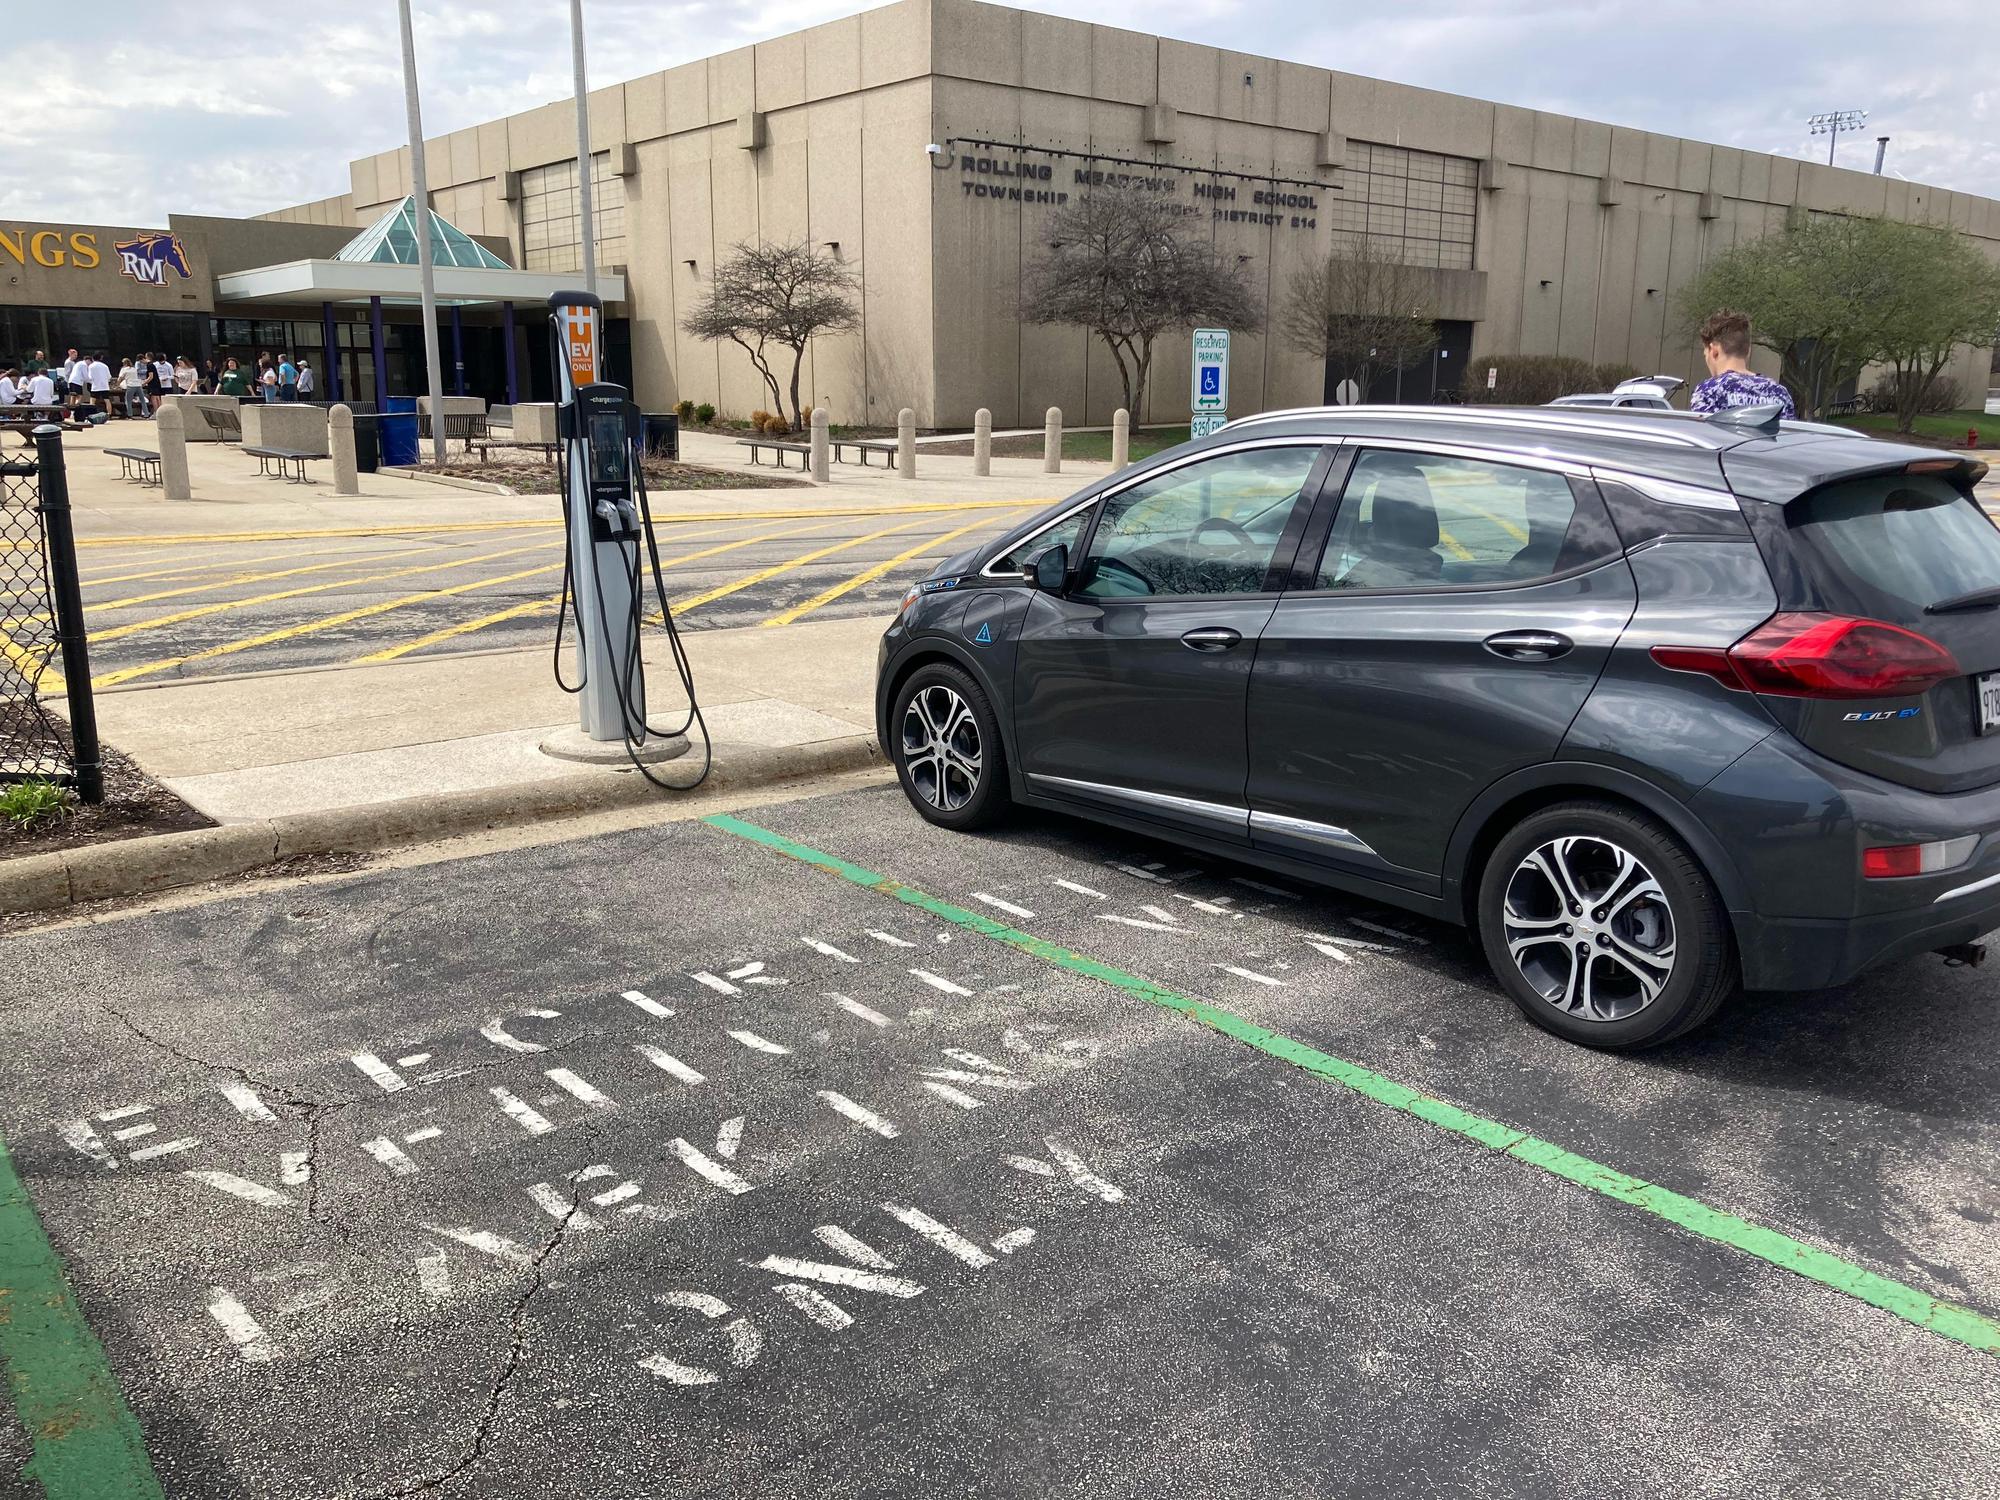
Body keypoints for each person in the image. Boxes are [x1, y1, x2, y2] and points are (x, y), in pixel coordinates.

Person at [1690, 310, 1795, 419]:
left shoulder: (1708, 392)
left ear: (1714, 351)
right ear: (1748, 351)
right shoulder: (1780, 393)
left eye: (1705, 355)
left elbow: (1704, 433)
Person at [87, 352, 112, 417]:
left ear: (92, 358)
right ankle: (109, 414)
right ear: (101, 358)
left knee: (92, 400)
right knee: (107, 400)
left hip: (95, 386)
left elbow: (90, 377)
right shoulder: (105, 366)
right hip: (104, 386)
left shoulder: (91, 366)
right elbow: (109, 377)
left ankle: (91, 414)